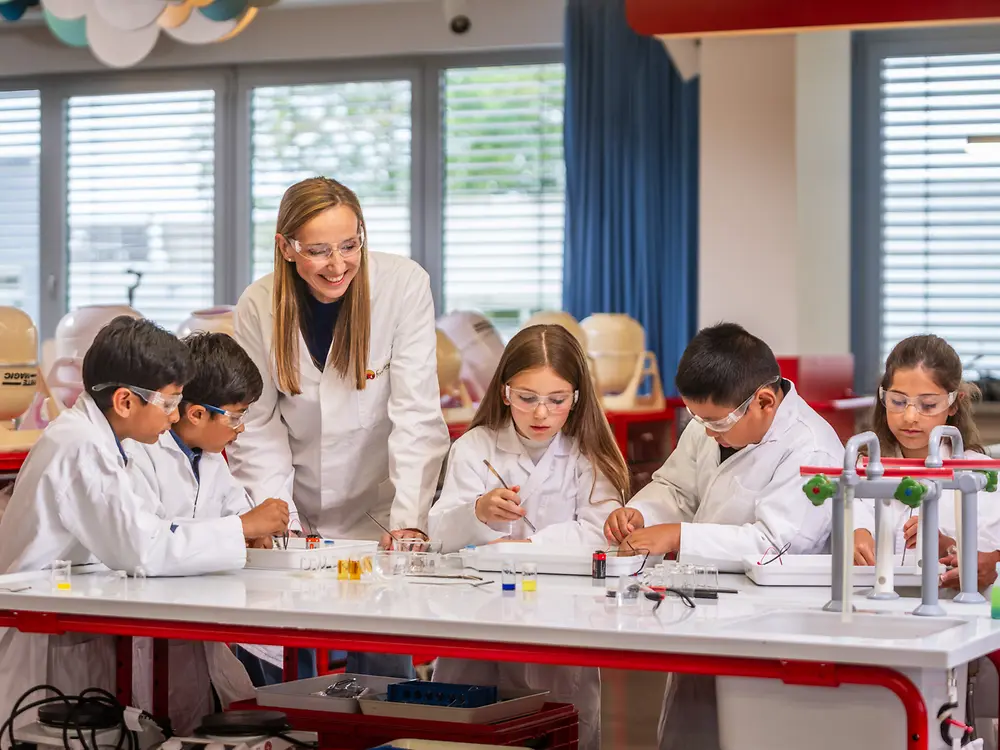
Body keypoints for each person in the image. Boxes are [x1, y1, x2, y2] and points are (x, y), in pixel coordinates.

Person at [0, 316, 289, 734]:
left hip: (71, 629)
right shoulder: (81, 447)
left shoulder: (99, 440)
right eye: (169, 404)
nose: (173, 419)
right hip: (44, 642)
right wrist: (238, 529)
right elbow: (143, 547)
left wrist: (239, 528)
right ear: (124, 401)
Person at [228, 177, 450, 681]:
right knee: (296, 666)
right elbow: (258, 424)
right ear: (286, 248)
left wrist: (410, 518)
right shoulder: (257, 305)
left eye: (350, 245)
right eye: (319, 251)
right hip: (296, 507)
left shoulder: (402, 285)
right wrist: (276, 515)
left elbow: (416, 412)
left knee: (382, 668)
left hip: (381, 512)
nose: (338, 264)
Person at [603, 322, 844, 750]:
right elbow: (676, 488)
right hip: (704, 611)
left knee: (749, 735)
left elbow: (774, 548)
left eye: (714, 421)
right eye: (697, 418)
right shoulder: (714, 420)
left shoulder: (812, 450)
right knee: (690, 735)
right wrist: (639, 514)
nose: (705, 430)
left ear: (765, 401)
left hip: (772, 630)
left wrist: (678, 536)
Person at [429, 324, 630, 750]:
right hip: (477, 618)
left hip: (559, 615)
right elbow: (441, 534)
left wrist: (526, 549)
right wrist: (477, 511)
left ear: (576, 397)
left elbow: (602, 533)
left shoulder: (588, 450)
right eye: (527, 398)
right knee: (467, 734)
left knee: (554, 728)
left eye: (556, 400)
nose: (541, 414)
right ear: (504, 392)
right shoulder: (474, 446)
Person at [126, 331, 267, 734]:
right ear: (197, 414)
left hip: (194, 626)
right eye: (236, 416)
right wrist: (241, 529)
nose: (240, 429)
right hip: (147, 628)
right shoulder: (141, 453)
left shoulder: (209, 459)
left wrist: (255, 530)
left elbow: (238, 513)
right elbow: (152, 539)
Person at [852, 334, 1000, 589]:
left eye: (928, 405)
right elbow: (850, 516)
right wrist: (854, 533)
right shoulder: (862, 469)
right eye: (898, 401)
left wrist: (946, 545)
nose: (910, 417)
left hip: (955, 611)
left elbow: (988, 560)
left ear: (954, 404)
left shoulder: (979, 475)